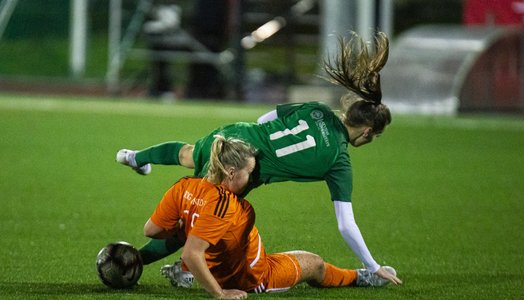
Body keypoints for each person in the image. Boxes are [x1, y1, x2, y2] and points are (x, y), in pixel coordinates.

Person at [117, 31, 395, 285]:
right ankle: (138, 265)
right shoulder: (339, 162)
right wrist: (372, 265)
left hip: (235, 133)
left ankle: (137, 157)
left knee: (188, 154)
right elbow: (346, 224)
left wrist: (257, 140)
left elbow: (266, 118)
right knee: (201, 219)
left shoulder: (317, 109)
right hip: (244, 165)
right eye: (374, 137)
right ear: (368, 131)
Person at [143, 135, 401, 299]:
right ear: (231, 172)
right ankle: (360, 277)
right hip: (253, 277)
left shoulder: (184, 185)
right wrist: (221, 294)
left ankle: (188, 273)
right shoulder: (224, 203)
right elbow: (191, 251)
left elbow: (152, 230)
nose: (252, 179)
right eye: (249, 172)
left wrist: (188, 227)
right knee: (315, 264)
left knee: (200, 245)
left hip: (219, 262)